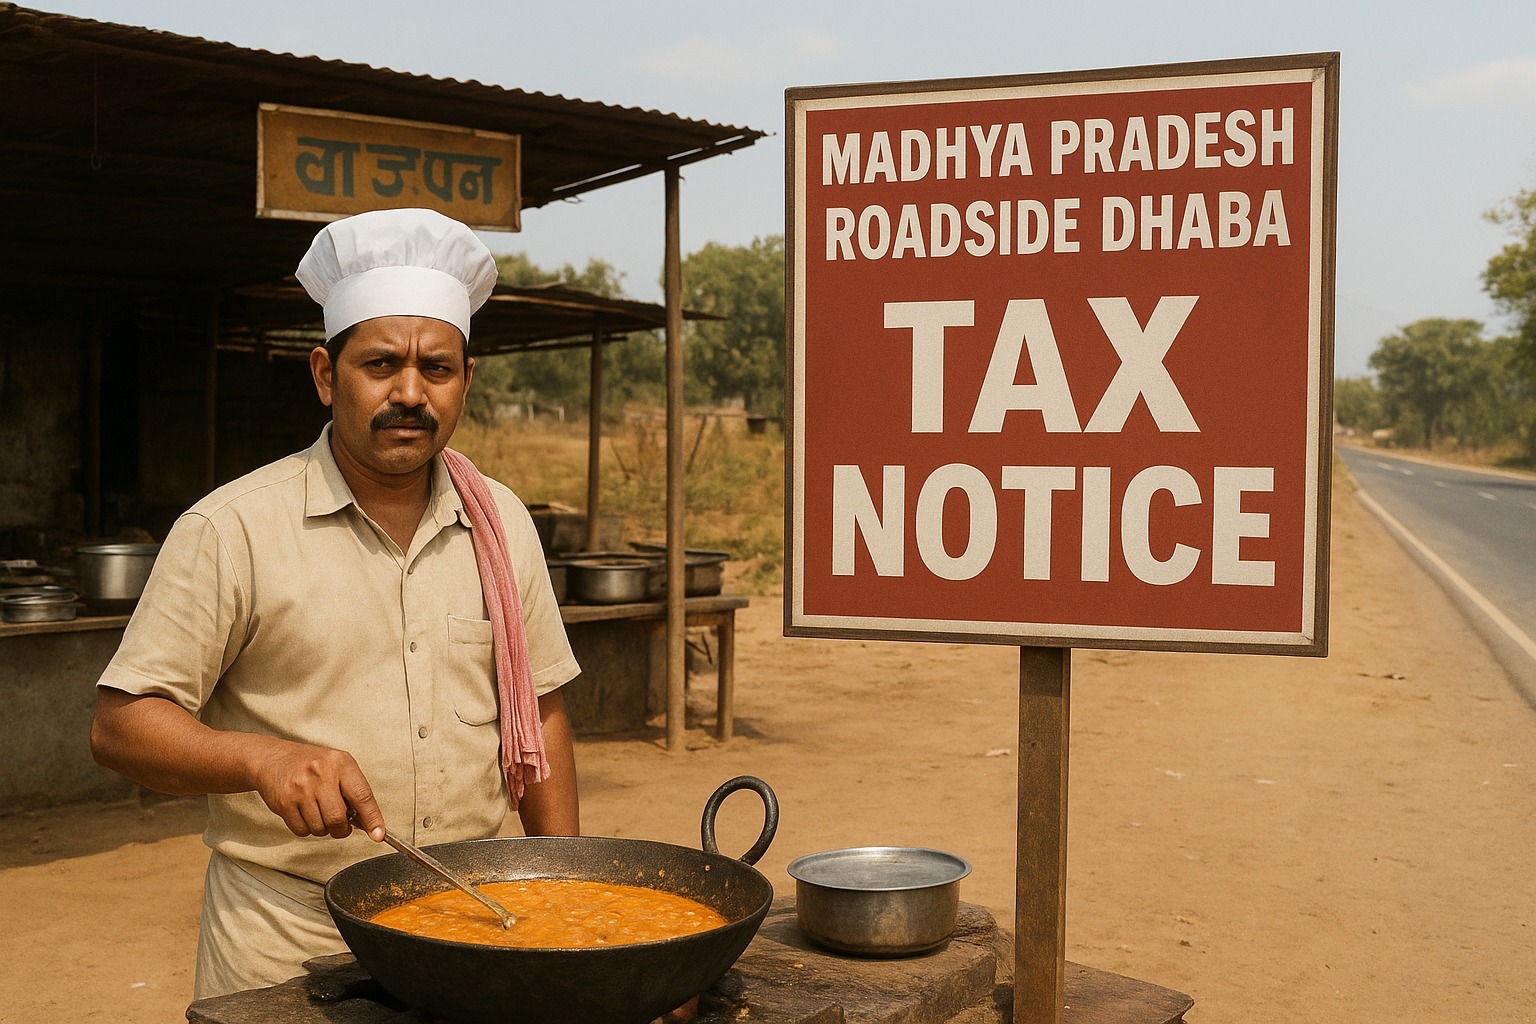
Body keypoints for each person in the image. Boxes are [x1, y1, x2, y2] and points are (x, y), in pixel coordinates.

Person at [89, 208, 580, 1000]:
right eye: (380, 364)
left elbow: (540, 709)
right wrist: (263, 759)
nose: (410, 393)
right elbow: (120, 725)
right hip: (289, 944)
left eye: (436, 369)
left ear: (466, 380)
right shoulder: (232, 529)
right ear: (325, 375)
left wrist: (567, 897)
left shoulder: (501, 522)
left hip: (476, 928)